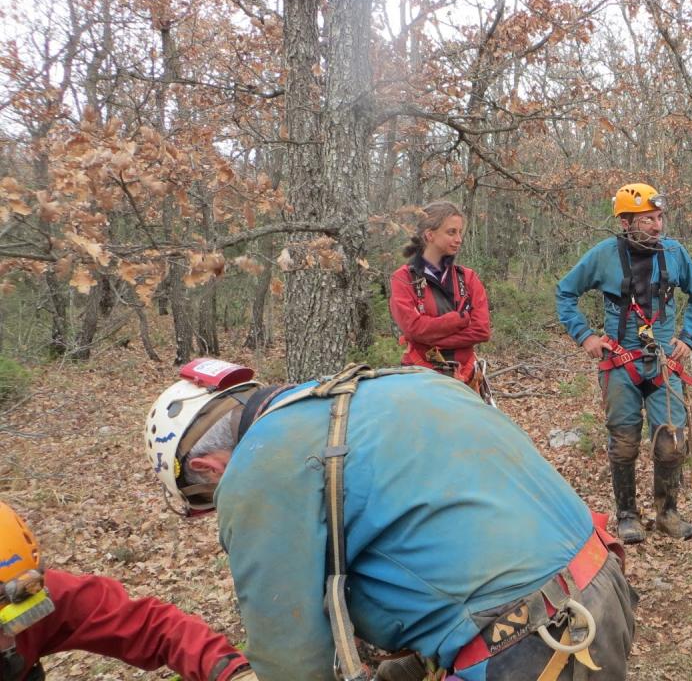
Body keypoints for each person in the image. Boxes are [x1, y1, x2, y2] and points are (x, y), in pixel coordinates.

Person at [142, 358, 634, 681]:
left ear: (208, 469)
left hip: (528, 646)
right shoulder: (395, 384)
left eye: (211, 497)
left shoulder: (261, 464)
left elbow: (290, 659)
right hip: (600, 588)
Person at [555, 183, 692, 544]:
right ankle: (627, 514)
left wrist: (688, 338)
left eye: (659, 218)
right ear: (626, 223)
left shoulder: (674, 253)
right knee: (624, 442)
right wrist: (586, 337)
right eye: (648, 220)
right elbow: (565, 292)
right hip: (620, 364)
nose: (657, 227)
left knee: (671, 440)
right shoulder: (604, 255)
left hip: (663, 364)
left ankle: (668, 513)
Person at [0, 501, 255, 681]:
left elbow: (147, 625)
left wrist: (229, 670)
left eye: (22, 612)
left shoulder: (26, 589)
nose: (12, 637)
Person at [389, 200, 492, 390]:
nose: (459, 239)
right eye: (451, 232)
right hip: (419, 378)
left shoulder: (467, 278)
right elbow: (413, 329)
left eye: (460, 232)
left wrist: (428, 337)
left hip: (466, 378)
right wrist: (458, 320)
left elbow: (481, 330)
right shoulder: (403, 278)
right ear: (430, 235)